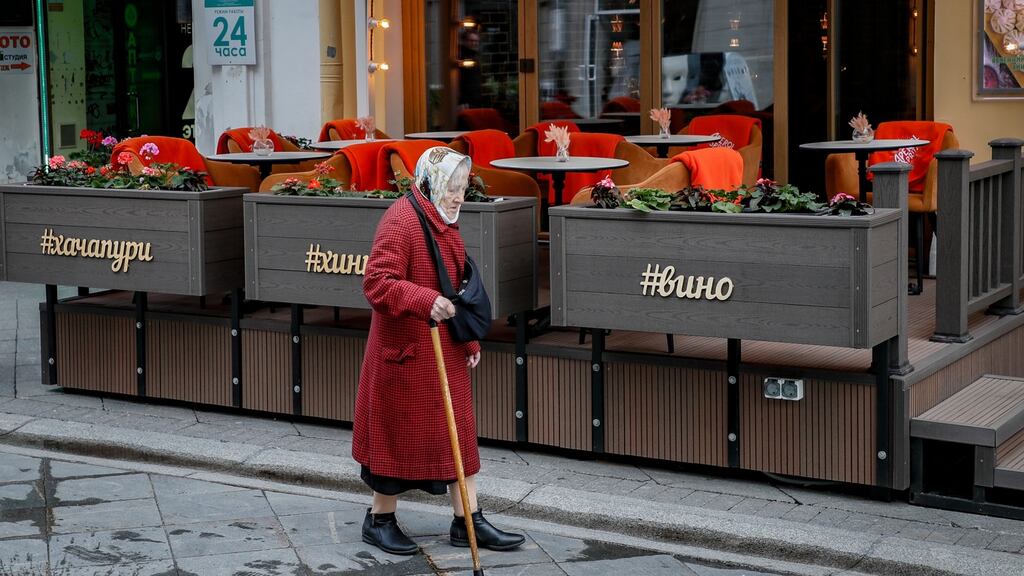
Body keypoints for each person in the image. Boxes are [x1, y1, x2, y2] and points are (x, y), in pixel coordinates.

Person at [352, 147, 525, 556]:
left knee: (458, 438)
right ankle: (379, 520)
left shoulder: (443, 219)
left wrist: (467, 338)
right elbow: (376, 282)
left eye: (463, 187)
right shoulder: (400, 221)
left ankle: (468, 520)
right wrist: (423, 300)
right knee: (393, 443)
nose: (458, 195)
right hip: (405, 353)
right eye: (451, 186)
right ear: (431, 182)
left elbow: (456, 285)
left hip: (441, 348)